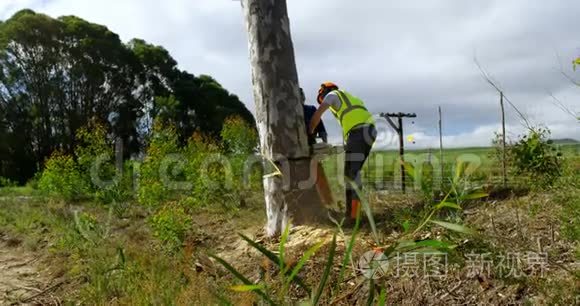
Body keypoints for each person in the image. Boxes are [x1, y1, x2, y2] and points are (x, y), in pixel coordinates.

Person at [308, 82, 376, 222]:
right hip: (367, 132)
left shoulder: (332, 95)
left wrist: (309, 133)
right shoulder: (351, 98)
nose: (322, 101)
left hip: (358, 132)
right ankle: (352, 214)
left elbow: (317, 115)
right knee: (351, 173)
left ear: (324, 92)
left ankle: (353, 216)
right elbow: (355, 119)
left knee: (351, 174)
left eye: (321, 98)